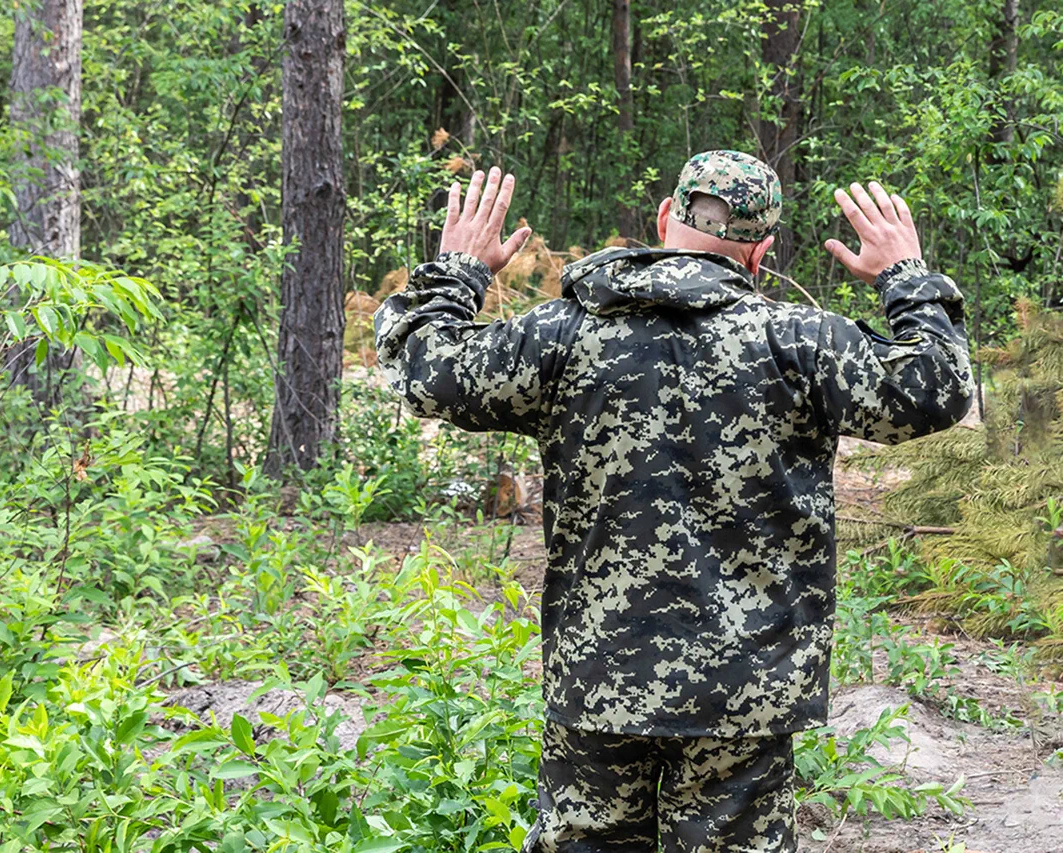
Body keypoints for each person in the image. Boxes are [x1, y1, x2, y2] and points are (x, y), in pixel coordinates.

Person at [373, 150, 973, 852]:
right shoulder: (802, 344)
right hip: (743, 696)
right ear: (761, 251)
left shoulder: (564, 336)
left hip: (599, 683)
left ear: (664, 218)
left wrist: (459, 270)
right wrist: (905, 275)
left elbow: (422, 367)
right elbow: (937, 384)